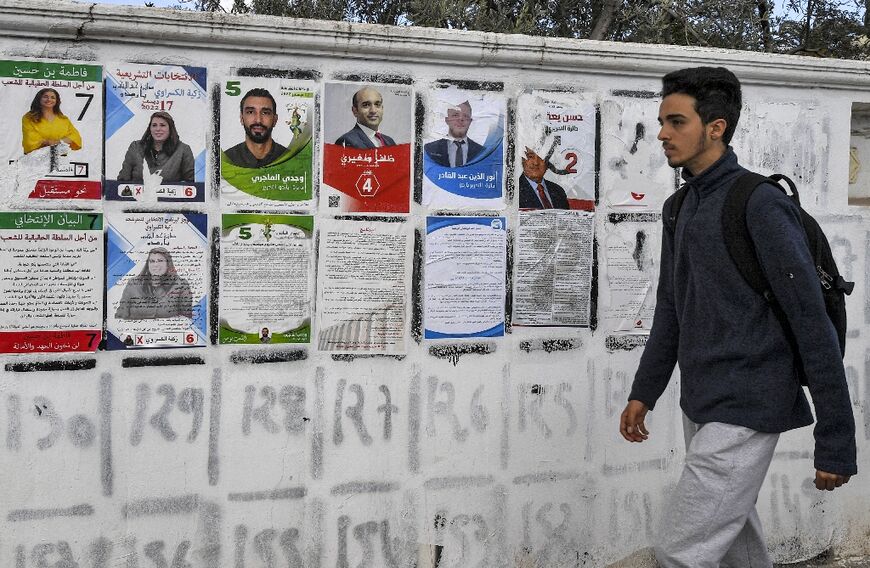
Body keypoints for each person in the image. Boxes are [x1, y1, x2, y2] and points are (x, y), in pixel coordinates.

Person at [619, 67, 856, 568]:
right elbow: (670, 306)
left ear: (716, 127)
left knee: (680, 552)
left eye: (676, 122)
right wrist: (645, 392)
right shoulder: (678, 206)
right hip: (702, 399)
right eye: (662, 121)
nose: (662, 133)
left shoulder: (759, 203)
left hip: (750, 401)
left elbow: (810, 320)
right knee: (732, 549)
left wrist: (836, 440)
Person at [115, 247, 193, 320]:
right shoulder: (133, 284)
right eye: (152, 261)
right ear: (148, 265)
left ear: (168, 264)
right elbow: (121, 316)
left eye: (160, 261)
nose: (155, 265)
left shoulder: (181, 284)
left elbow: (186, 318)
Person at [117, 111, 195, 183]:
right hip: (139, 197)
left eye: (162, 125)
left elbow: (191, 184)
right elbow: (122, 180)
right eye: (154, 125)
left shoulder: (183, 150)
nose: (158, 129)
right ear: (150, 128)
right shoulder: (135, 147)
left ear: (170, 129)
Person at [224, 88, 287, 168]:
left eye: (265, 113)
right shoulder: (226, 160)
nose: (258, 120)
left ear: (275, 120)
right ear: (241, 118)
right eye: (250, 112)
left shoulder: (291, 159)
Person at [21, 88, 82, 155]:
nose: (49, 99)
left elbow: (76, 137)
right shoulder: (29, 117)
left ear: (56, 101)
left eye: (53, 97)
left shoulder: (63, 119)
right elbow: (30, 140)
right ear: (39, 99)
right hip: (35, 159)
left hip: (59, 159)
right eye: (45, 97)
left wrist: (58, 141)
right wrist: (56, 142)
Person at [424, 101, 483, 167]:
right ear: (447, 120)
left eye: (465, 116)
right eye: (455, 115)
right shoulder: (429, 149)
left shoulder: (482, 152)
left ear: (470, 121)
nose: (461, 119)